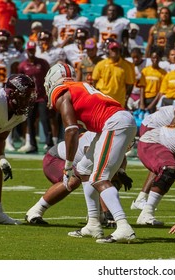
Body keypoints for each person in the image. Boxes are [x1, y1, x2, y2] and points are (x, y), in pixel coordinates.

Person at [44, 62, 137, 243]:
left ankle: (124, 226)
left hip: (113, 123)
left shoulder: (61, 92)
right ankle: (93, 223)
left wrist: (68, 165)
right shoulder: (78, 86)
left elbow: (71, 130)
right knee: (85, 169)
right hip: (115, 122)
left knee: (99, 178)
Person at [25, 131, 132, 226]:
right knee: (74, 180)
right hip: (55, 159)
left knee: (116, 178)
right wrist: (108, 212)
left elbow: (121, 158)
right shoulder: (97, 139)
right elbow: (98, 174)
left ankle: (97, 216)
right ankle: (35, 211)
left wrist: (121, 172)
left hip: (75, 165)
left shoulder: (110, 140)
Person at [0, 74, 36, 224]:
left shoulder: (19, 115)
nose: (28, 100)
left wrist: (1, 158)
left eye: (30, 96)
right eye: (25, 96)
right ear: (12, 93)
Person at [17, 41, 52, 154]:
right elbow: (20, 80)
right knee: (30, 121)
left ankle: (49, 143)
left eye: (33, 50)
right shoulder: (23, 65)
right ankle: (32, 144)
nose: (31, 52)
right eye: (29, 50)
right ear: (26, 50)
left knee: (44, 119)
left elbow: (49, 77)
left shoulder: (42, 63)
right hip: (30, 98)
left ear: (35, 50)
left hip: (42, 96)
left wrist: (49, 94)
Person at [92, 40, 135, 108]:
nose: (114, 51)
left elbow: (129, 84)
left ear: (119, 51)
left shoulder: (126, 66)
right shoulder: (101, 64)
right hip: (102, 100)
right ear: (108, 50)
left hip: (118, 102)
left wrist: (125, 99)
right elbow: (94, 81)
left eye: (116, 49)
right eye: (112, 49)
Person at [138, 49, 167, 113]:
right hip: (144, 98)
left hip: (154, 99)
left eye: (157, 58)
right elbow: (142, 87)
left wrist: (152, 105)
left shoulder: (163, 73)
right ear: (150, 58)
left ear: (160, 59)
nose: (155, 60)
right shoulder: (145, 71)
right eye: (153, 58)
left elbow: (161, 92)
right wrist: (142, 103)